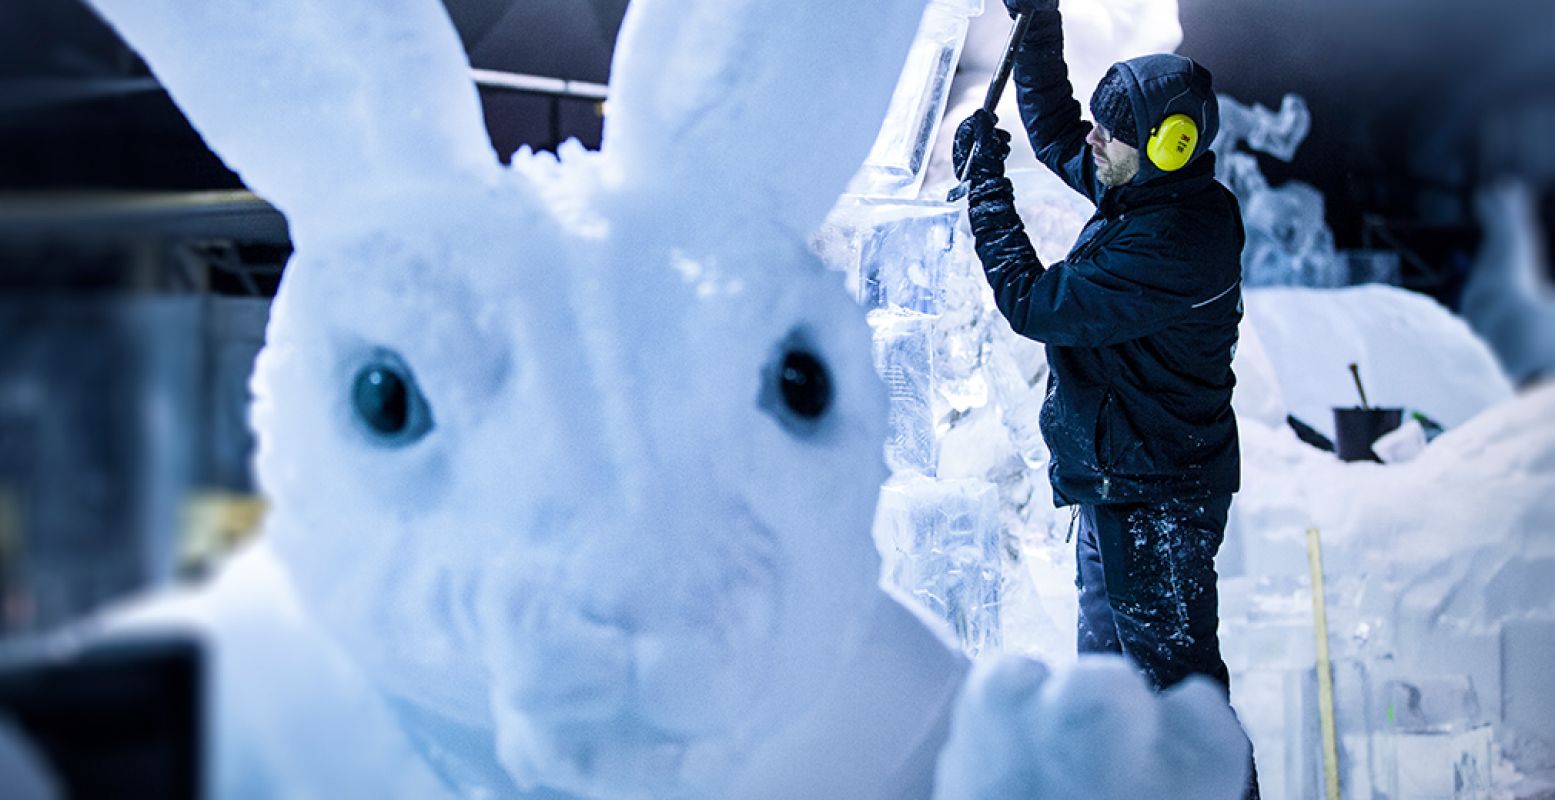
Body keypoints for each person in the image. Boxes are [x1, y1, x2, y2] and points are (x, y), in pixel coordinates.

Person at [952, 0, 1259, 796]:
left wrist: (985, 187)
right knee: (1109, 704)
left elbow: (1033, 302)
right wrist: (1040, 21)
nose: (1092, 139)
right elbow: (1057, 128)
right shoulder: (1153, 189)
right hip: (1117, 492)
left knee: (1181, 711)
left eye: (1110, 133)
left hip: (1160, 504)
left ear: (1169, 143)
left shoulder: (1175, 242)